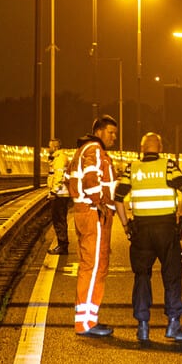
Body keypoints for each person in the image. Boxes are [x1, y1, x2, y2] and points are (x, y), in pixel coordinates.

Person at [120, 131, 182, 343]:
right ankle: (173, 325)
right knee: (171, 275)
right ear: (160, 148)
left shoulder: (132, 168)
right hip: (166, 229)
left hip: (141, 231)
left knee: (142, 276)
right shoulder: (168, 166)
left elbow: (117, 198)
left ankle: (142, 326)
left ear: (142, 149)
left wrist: (126, 224)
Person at [70, 115, 119, 336]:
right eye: (110, 132)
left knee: (91, 265)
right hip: (93, 214)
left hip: (86, 212)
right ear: (98, 131)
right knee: (94, 266)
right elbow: (91, 177)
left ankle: (87, 318)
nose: (114, 137)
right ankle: (86, 323)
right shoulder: (94, 150)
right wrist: (99, 202)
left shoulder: (81, 151)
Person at [45, 138, 72, 255]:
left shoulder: (59, 158)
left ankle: (62, 246)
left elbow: (59, 176)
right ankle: (62, 245)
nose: (48, 149)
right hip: (61, 193)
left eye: (49, 146)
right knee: (59, 219)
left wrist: (54, 192)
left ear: (55, 147)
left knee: (59, 220)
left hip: (60, 194)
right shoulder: (57, 158)